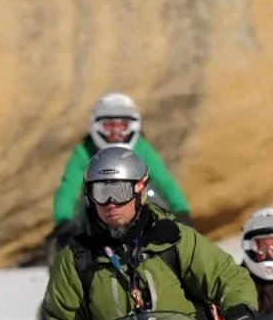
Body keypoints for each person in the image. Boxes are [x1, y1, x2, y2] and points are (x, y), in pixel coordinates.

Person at [42, 146, 259, 320]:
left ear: (141, 190)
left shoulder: (174, 239)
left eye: (120, 191)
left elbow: (226, 275)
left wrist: (239, 308)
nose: (110, 203)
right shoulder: (76, 259)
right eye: (101, 192)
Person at [50, 93, 191, 247]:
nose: (116, 132)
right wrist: (64, 222)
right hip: (97, 216)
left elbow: (165, 182)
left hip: (136, 210)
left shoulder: (141, 147)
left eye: (122, 126)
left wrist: (181, 212)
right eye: (109, 126)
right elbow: (68, 190)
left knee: (151, 194)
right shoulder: (84, 151)